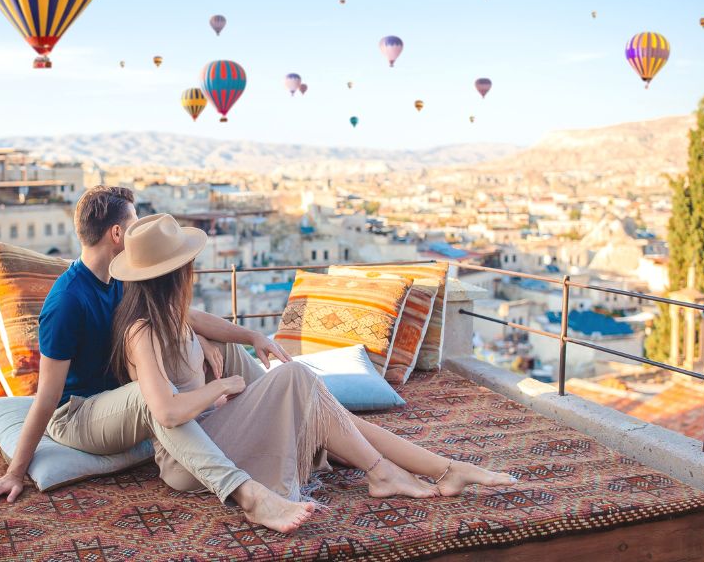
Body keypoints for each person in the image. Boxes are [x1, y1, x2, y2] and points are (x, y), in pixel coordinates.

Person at [0, 187, 315, 533]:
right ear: (117, 234)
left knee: (218, 355)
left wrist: (248, 336)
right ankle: (247, 493)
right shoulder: (67, 301)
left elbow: (184, 314)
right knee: (152, 398)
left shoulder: (121, 277)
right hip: (79, 414)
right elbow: (46, 398)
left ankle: (309, 429)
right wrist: (15, 472)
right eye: (134, 225)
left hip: (120, 401)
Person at [109, 213, 519, 508]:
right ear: (176, 272)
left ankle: (444, 468)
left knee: (322, 405)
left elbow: (203, 321)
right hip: (191, 462)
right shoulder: (141, 331)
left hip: (217, 428)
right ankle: (384, 472)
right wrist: (222, 387)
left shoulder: (173, 313)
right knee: (297, 378)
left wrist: (253, 336)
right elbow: (164, 412)